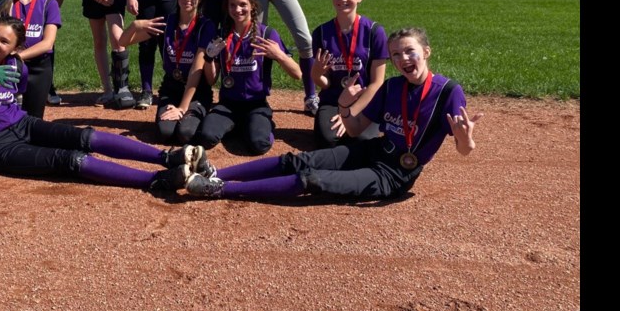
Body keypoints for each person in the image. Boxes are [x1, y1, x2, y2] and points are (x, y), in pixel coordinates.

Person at [182, 27, 481, 200]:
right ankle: (217, 173)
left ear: (426, 52)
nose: (403, 59)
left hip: (395, 173)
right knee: (297, 160)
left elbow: (465, 151)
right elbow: (352, 130)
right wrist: (343, 105)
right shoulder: (392, 87)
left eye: (410, 51)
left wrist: (464, 138)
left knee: (310, 179)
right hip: (374, 150)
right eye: (396, 54)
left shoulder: (447, 91)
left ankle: (221, 190)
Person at [0, 15, 215, 193]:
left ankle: (167, 157)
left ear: (16, 47)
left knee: (85, 136)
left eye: (4, 41)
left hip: (22, 124)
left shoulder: (16, 64)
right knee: (70, 160)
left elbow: (16, 98)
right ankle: (155, 180)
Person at [196, 0, 301, 156]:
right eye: (233, 5)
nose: (237, 10)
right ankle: (240, 125)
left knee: (259, 144)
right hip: (228, 104)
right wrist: (208, 58)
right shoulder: (222, 36)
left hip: (256, 104)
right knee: (206, 137)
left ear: (252, 5)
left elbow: (297, 74)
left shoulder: (266, 34)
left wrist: (278, 55)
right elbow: (211, 80)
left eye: (243, 4)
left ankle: (259, 125)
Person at [119, 0, 216, 145]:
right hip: (171, 88)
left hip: (197, 90)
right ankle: (183, 114)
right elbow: (123, 42)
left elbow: (196, 70)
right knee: (165, 133)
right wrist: (135, 25)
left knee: (185, 133)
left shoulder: (205, 26)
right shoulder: (166, 22)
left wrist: (183, 108)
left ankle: (200, 112)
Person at [309, 0, 388, 148]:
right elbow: (326, 83)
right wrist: (316, 73)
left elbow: (377, 83)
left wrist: (349, 112)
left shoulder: (375, 31)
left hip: (365, 100)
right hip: (333, 99)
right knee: (327, 140)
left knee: (362, 142)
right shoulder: (321, 33)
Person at [0, 0, 61, 120]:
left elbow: (47, 44)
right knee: (2, 115)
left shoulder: (48, 4)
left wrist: (17, 57)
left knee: (33, 119)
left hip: (38, 67)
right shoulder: (4, 4)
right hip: (7, 66)